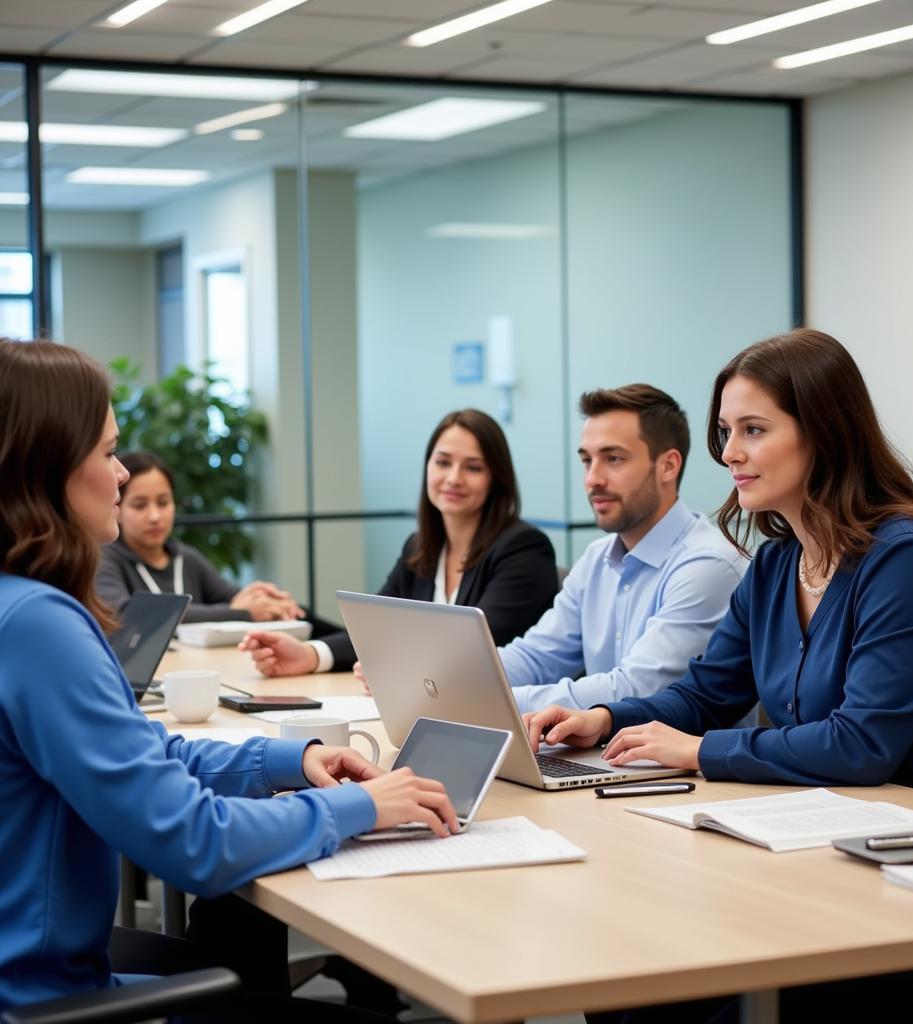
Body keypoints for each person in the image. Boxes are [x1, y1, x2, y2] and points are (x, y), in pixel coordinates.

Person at [526, 329, 913, 1023]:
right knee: (633, 979)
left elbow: (860, 745)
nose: (729, 452)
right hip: (833, 853)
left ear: (825, 431)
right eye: (727, 431)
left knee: (696, 999)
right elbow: (706, 692)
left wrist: (699, 750)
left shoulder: (905, 558)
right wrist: (610, 718)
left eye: (753, 430)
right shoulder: (774, 566)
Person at [0, 338, 458, 1018]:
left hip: (40, 977)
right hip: (49, 1002)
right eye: (105, 452)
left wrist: (288, 759)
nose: (122, 474)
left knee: (236, 952)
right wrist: (364, 806)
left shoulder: (19, 605)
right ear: (46, 467)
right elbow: (193, 842)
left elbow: (143, 753)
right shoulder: (39, 627)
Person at [240, 408, 559, 677]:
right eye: (443, 462)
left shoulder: (524, 548)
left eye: (473, 468)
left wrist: (398, 669)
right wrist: (309, 654)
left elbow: (477, 647)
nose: (453, 478)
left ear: (496, 479)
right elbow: (377, 630)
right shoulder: (420, 548)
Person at [501, 384, 747, 713]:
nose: (593, 479)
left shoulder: (709, 564)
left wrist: (494, 702)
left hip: (679, 764)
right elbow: (535, 657)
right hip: (603, 755)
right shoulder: (596, 558)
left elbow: (635, 690)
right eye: (587, 461)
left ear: (668, 466)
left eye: (613, 459)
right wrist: (455, 681)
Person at [97, 450, 303, 623]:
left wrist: (264, 599)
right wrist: (241, 612)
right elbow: (126, 613)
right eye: (139, 505)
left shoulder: (186, 558)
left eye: (163, 502)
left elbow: (231, 596)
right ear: (119, 508)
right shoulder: (105, 558)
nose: (155, 516)